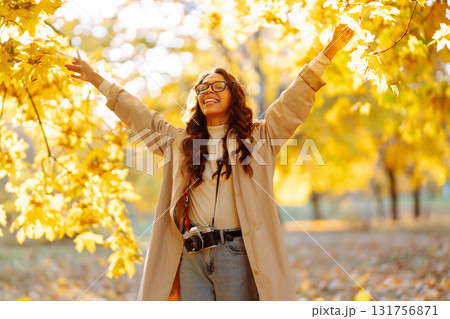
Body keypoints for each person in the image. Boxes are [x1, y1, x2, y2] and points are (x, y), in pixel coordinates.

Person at [65, 23, 354, 301]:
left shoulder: (260, 136)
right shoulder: (179, 142)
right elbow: (138, 115)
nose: (207, 92)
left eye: (217, 86)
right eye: (201, 89)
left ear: (234, 93)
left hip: (236, 253)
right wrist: (96, 80)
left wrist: (327, 54)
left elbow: (293, 100)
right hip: (191, 256)